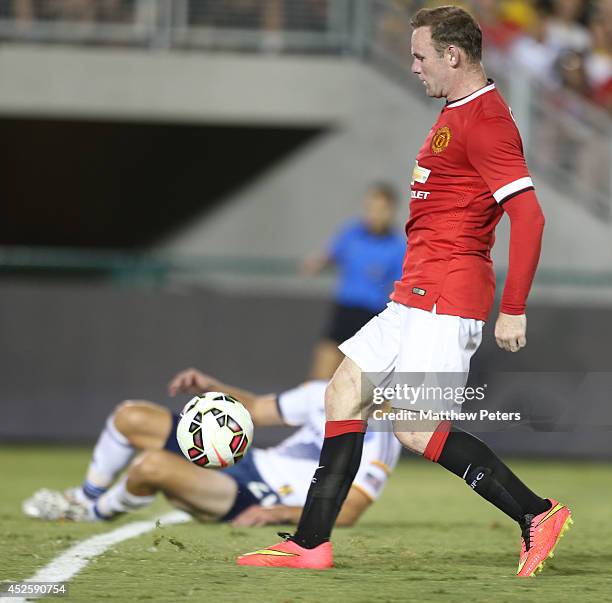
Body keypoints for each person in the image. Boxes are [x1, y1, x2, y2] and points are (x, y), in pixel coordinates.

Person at [237, 6, 571, 578]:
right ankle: (311, 544)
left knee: (414, 427)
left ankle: (536, 513)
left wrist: (512, 308)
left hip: (448, 296)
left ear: (453, 56)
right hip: (414, 293)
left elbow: (531, 218)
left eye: (420, 56)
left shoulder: (486, 121)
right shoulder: (456, 111)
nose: (413, 66)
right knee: (343, 393)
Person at [23, 368, 401, 526]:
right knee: (130, 417)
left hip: (258, 494)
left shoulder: (381, 435)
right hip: (247, 459)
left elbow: (350, 510)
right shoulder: (325, 392)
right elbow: (254, 408)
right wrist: (210, 385)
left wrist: (276, 513)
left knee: (150, 466)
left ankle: (92, 513)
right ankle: (83, 494)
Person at [302, 183, 405, 380]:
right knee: (319, 377)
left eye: (380, 209)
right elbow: (331, 254)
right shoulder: (351, 233)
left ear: (391, 211)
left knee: (364, 384)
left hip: (370, 317)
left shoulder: (397, 246)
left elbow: (401, 283)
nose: (374, 214)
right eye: (370, 208)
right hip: (344, 311)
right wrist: (317, 262)